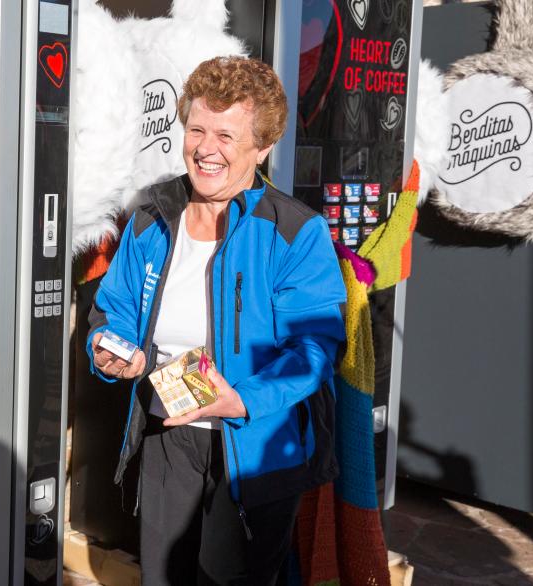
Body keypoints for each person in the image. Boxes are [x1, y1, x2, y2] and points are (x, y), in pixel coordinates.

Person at [87, 56, 346, 585]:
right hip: (169, 435)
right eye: (197, 129)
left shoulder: (296, 232)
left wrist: (244, 398)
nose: (206, 149)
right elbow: (112, 310)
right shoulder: (152, 218)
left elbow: (316, 347)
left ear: (263, 148)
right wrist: (109, 348)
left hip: (256, 447)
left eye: (226, 136)